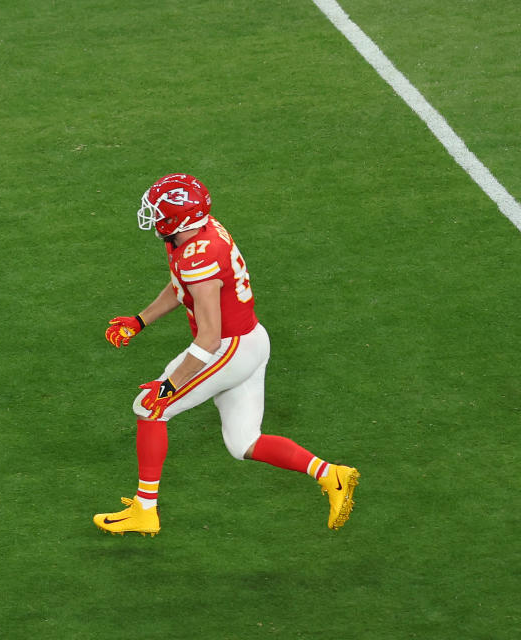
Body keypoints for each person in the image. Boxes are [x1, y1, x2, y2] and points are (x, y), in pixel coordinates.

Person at [94, 173, 359, 536]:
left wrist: (169, 387)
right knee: (243, 442)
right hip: (251, 341)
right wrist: (141, 320)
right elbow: (182, 287)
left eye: (159, 211)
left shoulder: (196, 256)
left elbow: (208, 340)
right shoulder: (195, 235)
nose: (153, 216)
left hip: (228, 348)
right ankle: (333, 476)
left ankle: (145, 510)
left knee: (149, 406)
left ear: (179, 218)